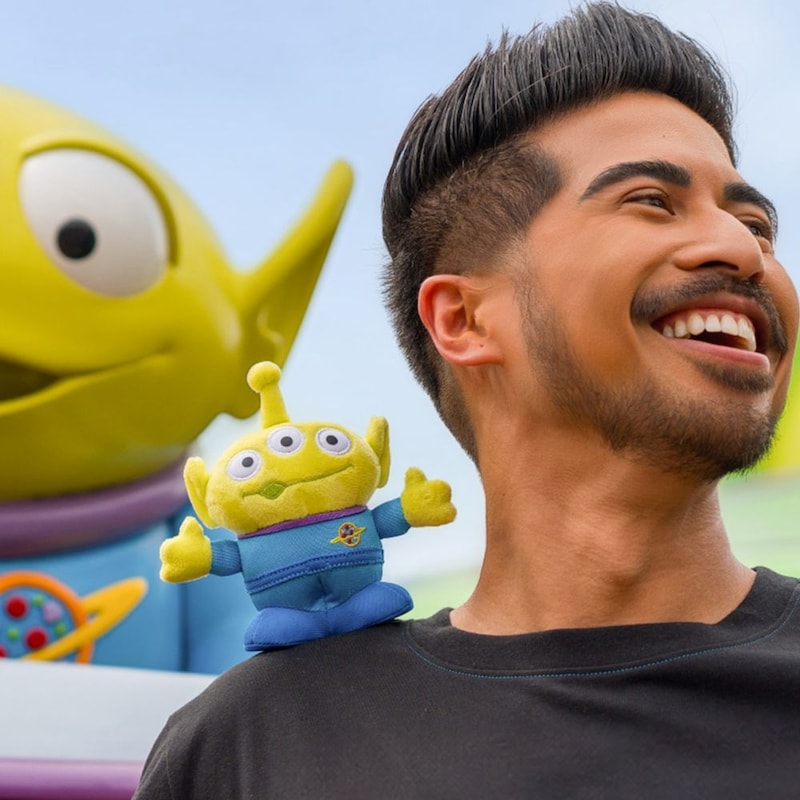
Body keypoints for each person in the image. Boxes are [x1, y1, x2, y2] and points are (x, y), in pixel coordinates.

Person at [133, 4, 800, 797]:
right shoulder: (251, 745)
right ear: (464, 318)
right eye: (652, 200)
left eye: (756, 222)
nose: (740, 248)